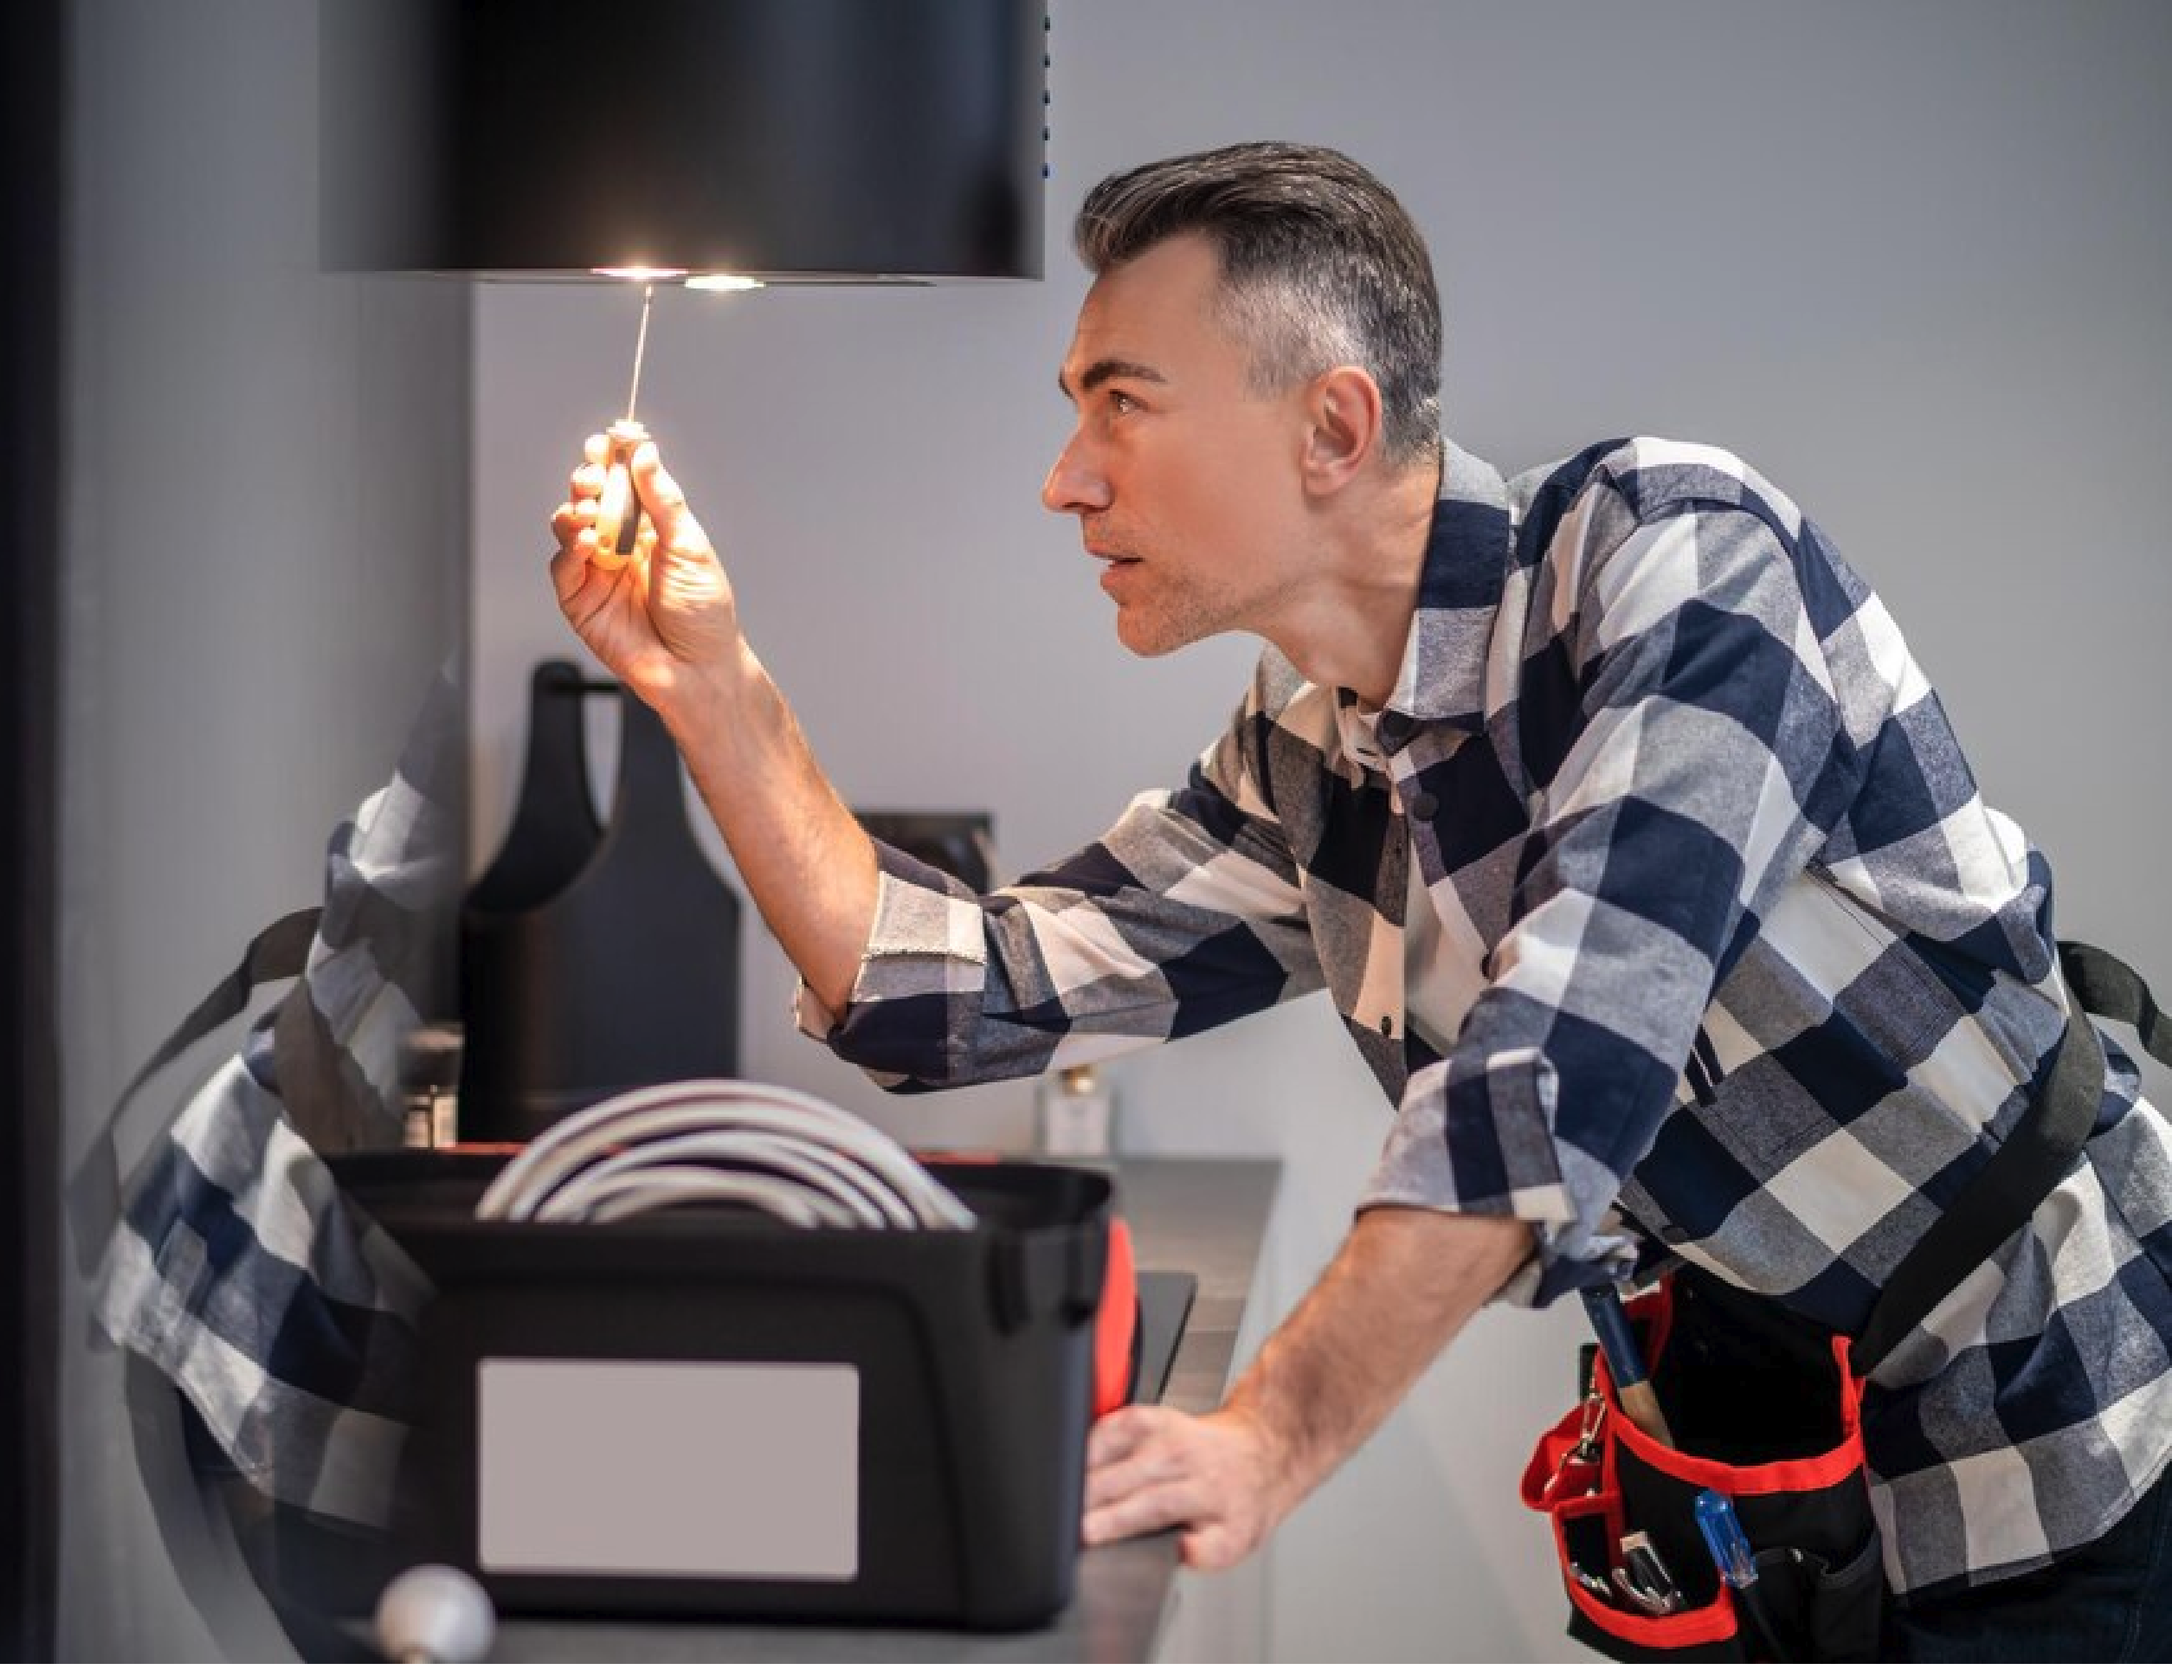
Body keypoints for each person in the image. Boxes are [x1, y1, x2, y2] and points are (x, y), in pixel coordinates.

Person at [545, 141, 2172, 1660]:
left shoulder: (1677, 553)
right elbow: (945, 990)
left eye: (1121, 404)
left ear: (1331, 424)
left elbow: (1565, 1057)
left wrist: (1270, 1435)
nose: (1065, 479)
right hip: (1773, 1462)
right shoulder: (1309, 756)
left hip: (2065, 1424)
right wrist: (713, 690)